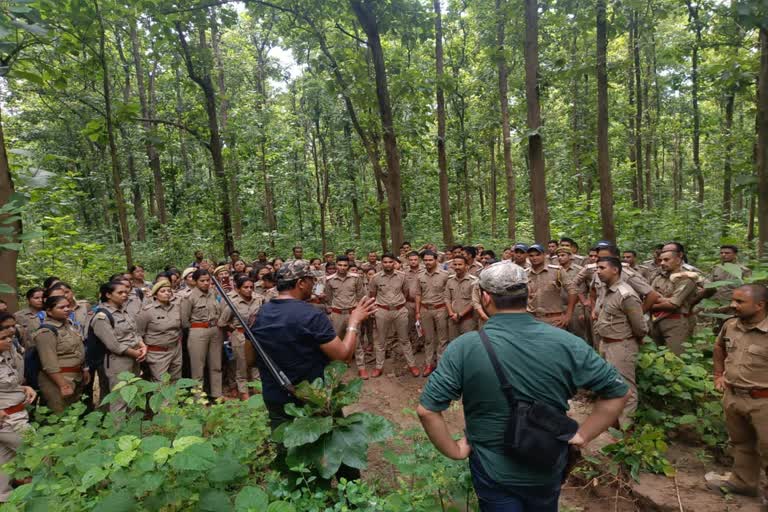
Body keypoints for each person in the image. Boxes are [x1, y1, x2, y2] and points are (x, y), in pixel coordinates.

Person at [417, 261, 629, 511]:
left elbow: (427, 410)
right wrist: (583, 435)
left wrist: (454, 451)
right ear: (529, 294)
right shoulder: (567, 343)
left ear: (485, 298)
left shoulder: (464, 347)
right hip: (547, 461)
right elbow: (617, 391)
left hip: (491, 467)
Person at [250, 261, 377, 478]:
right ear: (300, 283)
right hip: (316, 399)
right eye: (311, 281)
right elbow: (344, 356)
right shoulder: (310, 315)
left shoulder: (260, 314)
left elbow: (250, 359)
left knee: (290, 454)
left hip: (275, 397)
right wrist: (354, 321)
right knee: (337, 448)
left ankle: (302, 494)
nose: (314, 286)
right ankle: (353, 499)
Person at [706, 284, 768, 501]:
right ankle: (743, 483)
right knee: (741, 444)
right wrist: (718, 374)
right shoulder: (730, 325)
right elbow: (718, 348)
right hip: (733, 396)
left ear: (759, 305)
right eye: (733, 300)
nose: (733, 305)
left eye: (740, 302)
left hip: (763, 401)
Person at [594, 257, 648, 427]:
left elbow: (639, 326)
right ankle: (612, 421)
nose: (598, 271)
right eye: (597, 268)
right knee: (608, 383)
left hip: (621, 345)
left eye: (602, 267)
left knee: (626, 387)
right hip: (606, 343)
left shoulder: (627, 295)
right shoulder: (605, 289)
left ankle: (626, 429)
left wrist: (637, 338)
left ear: (615, 270)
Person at [90, 281, 147, 412]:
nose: (124, 295)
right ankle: (118, 430)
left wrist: (142, 346)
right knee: (120, 399)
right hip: (118, 361)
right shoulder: (102, 316)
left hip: (135, 357)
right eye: (120, 292)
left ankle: (132, 428)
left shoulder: (124, 310)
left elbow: (134, 332)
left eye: (126, 292)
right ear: (108, 295)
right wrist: (136, 353)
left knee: (133, 395)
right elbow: (113, 345)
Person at [33, 295, 89, 413]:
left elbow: (78, 349)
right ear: (49, 311)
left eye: (68, 306)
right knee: (60, 415)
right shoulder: (46, 332)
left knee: (74, 415)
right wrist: (63, 385)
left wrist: (84, 369)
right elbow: (49, 363)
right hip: (59, 380)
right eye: (61, 307)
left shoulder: (69, 325)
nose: (67, 309)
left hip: (76, 377)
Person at [369, 253, 420, 378]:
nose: (387, 264)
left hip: (399, 310)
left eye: (390, 262)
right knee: (381, 341)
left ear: (394, 263)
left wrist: (399, 303)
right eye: (385, 262)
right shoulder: (375, 278)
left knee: (404, 339)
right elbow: (372, 294)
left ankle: (412, 365)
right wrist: (374, 308)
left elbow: (406, 292)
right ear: (382, 263)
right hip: (382, 311)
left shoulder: (402, 276)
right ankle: (379, 366)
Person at [0, 327, 36, 503]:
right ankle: (45, 491)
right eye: (3, 337)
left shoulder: (7, 355)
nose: (9, 340)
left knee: (4, 459)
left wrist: (24, 388)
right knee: (38, 451)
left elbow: (6, 385)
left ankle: (4, 499)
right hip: (8, 419)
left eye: (11, 336)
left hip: (15, 413)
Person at [218, 275, 264, 399]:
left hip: (256, 335)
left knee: (257, 365)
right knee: (241, 366)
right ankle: (244, 393)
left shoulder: (259, 300)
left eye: (251, 287)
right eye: (245, 287)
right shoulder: (233, 303)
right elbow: (222, 322)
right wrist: (233, 329)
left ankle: (258, 392)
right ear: (238, 289)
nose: (249, 290)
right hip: (240, 336)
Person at [180, 269, 222, 399]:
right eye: (202, 281)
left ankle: (217, 394)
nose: (205, 283)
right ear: (195, 281)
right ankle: (198, 398)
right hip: (198, 331)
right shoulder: (189, 297)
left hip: (215, 330)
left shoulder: (213, 293)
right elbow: (184, 320)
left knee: (216, 364)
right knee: (198, 367)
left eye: (207, 280)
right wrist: (196, 329)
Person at [325, 256, 368, 379]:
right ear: (336, 265)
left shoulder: (356, 278)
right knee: (336, 340)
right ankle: (336, 368)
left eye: (345, 265)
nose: (342, 267)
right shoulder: (329, 280)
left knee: (357, 340)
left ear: (348, 266)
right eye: (340, 265)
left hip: (352, 313)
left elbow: (361, 296)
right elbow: (328, 297)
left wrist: (360, 312)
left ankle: (361, 368)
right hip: (337, 313)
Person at [649, 248, 699, 355]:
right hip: (655, 322)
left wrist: (649, 305)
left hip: (675, 323)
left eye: (667, 260)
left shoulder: (686, 278)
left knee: (676, 358)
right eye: (661, 260)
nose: (662, 263)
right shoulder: (659, 277)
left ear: (678, 260)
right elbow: (648, 296)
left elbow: (673, 305)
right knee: (656, 356)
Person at [135, 280, 183, 383]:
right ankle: (162, 400)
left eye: (169, 291)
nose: (167, 293)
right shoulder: (147, 311)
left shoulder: (177, 307)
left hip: (175, 349)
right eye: (163, 291)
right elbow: (138, 334)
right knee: (160, 383)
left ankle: (175, 399)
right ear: (155, 295)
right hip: (158, 352)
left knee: (176, 379)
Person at [415, 250, 449, 376]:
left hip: (441, 309)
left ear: (436, 260)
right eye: (425, 260)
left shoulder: (445, 275)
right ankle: (429, 364)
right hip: (425, 310)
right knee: (428, 339)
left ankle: (441, 366)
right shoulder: (420, 276)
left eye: (430, 260)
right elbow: (418, 294)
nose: (428, 262)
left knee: (442, 339)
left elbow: (449, 295)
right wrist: (417, 312)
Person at [526, 244, 567, 328]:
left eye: (538, 255)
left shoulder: (557, 271)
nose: (534, 258)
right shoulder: (524, 273)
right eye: (531, 255)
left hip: (554, 319)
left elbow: (573, 291)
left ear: (544, 255)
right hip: (532, 319)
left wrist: (568, 315)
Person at [445, 255, 479, 341]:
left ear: (466, 266)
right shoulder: (450, 280)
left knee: (468, 343)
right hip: (453, 318)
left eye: (460, 264)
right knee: (453, 343)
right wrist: (451, 313)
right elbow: (447, 298)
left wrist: (460, 314)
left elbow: (474, 301)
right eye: (455, 264)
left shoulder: (473, 281)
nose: (457, 267)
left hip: (468, 319)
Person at [404, 251, 423, 353]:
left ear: (419, 260)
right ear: (408, 261)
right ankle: (415, 344)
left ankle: (423, 342)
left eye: (415, 259)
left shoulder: (424, 271)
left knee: (422, 323)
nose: (413, 262)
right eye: (411, 260)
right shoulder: (404, 272)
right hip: (409, 302)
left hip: (423, 302)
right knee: (411, 324)